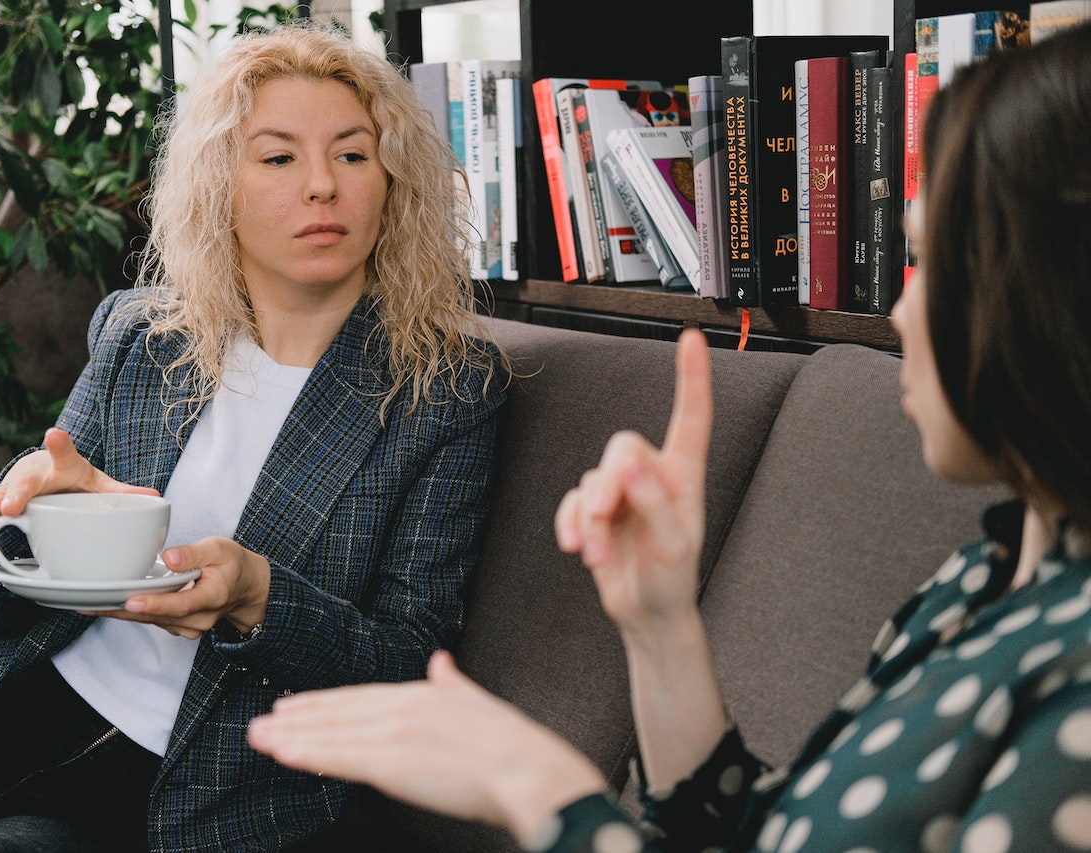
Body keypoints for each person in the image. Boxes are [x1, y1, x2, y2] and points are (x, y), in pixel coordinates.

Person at [247, 22, 1091, 853]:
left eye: (935, 264)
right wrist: (660, 628)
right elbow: (753, 831)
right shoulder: (989, 570)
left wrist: (542, 793)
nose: (902, 312)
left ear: (1055, 291)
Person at [0, 22, 508, 852]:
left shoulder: (445, 389)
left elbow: (408, 665)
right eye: (278, 157)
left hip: (184, 774)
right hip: (3, 688)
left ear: (392, 180)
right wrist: (31, 507)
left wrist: (258, 596)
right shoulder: (143, 334)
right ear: (220, 187)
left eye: (353, 154)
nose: (322, 185)